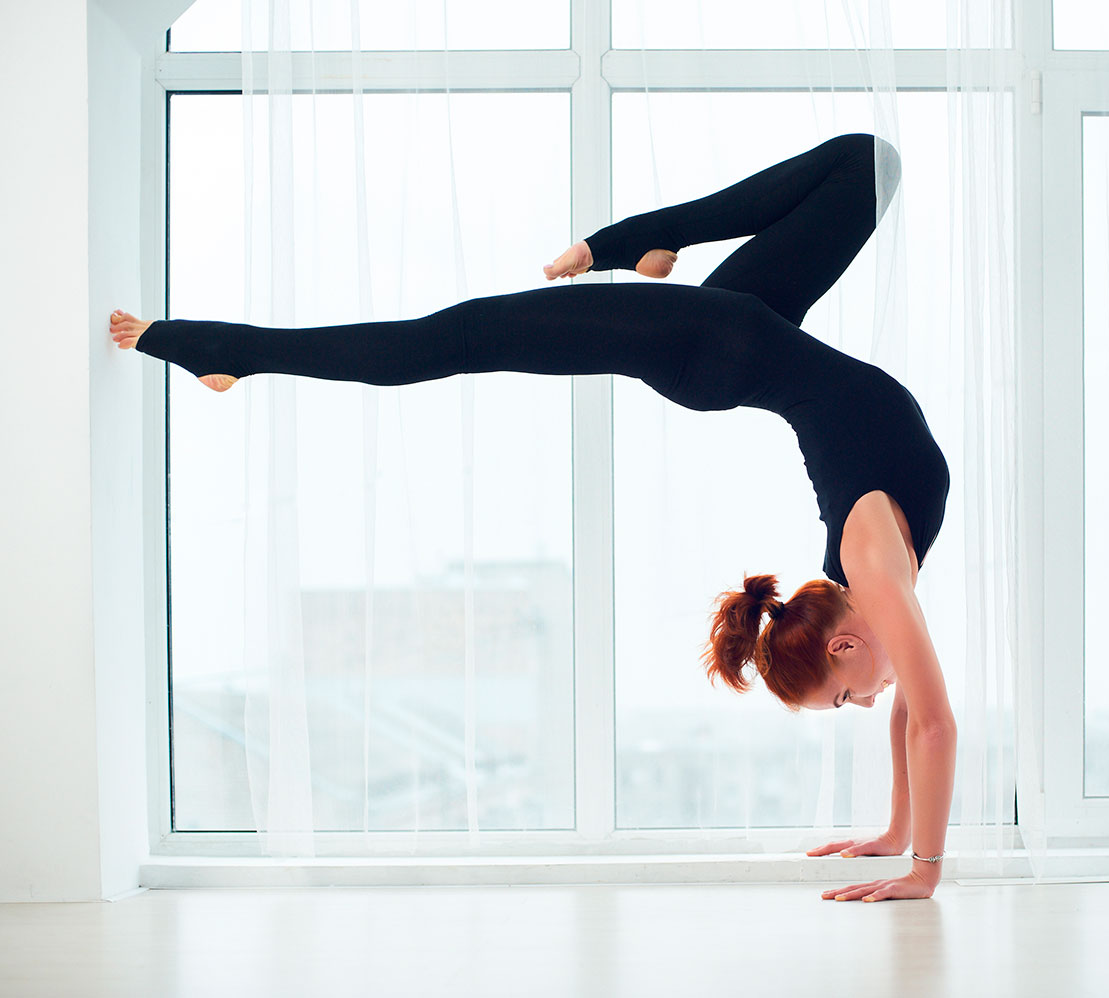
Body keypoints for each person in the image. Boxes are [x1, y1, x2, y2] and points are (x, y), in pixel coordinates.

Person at [108, 132, 957, 902]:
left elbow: (906, 707)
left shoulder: (867, 585)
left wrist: (894, 831)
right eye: (846, 697)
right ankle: (230, 351)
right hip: (720, 344)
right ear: (842, 645)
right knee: (454, 339)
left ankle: (634, 242)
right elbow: (930, 719)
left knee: (869, 162)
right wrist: (920, 867)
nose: (866, 699)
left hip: (737, 341)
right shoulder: (874, 573)